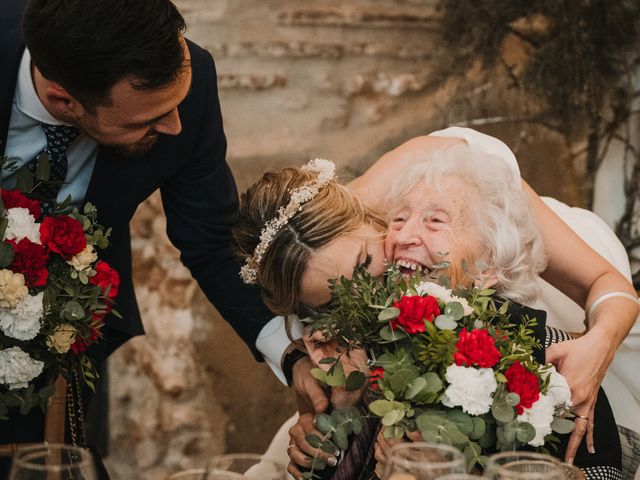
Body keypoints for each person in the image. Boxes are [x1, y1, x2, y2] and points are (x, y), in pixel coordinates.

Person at [232, 128, 640, 477]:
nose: (362, 298)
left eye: (362, 266)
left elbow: (604, 284)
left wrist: (596, 345)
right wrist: (330, 420)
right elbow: (329, 429)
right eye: (334, 301)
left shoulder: (451, 198)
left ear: (369, 221)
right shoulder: (340, 319)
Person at [0, 0, 277, 477]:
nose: (175, 127)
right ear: (64, 99)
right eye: (145, 121)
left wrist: (287, 348)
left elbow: (211, 237)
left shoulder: (188, 82)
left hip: (71, 337)